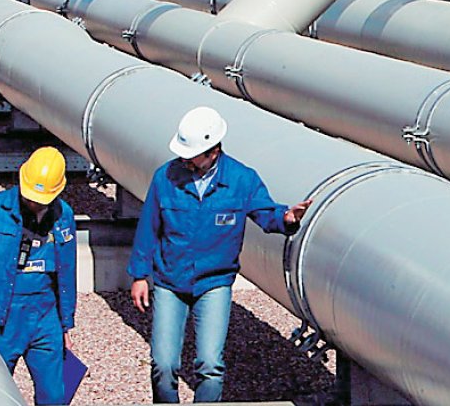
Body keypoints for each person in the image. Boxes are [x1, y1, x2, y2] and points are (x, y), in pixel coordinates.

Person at [127, 106, 312, 404]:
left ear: (213, 152)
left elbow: (266, 213)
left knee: (210, 366)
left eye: (192, 156)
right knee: (163, 364)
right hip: (170, 281)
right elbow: (148, 228)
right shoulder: (165, 178)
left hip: (214, 283)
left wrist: (287, 218)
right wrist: (139, 276)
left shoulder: (241, 180)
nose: (185, 160)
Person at [0, 146, 78, 405]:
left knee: (55, 396)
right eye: (30, 197)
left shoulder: (64, 217)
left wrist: (65, 324)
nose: (34, 203)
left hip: (45, 316)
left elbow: (67, 273)